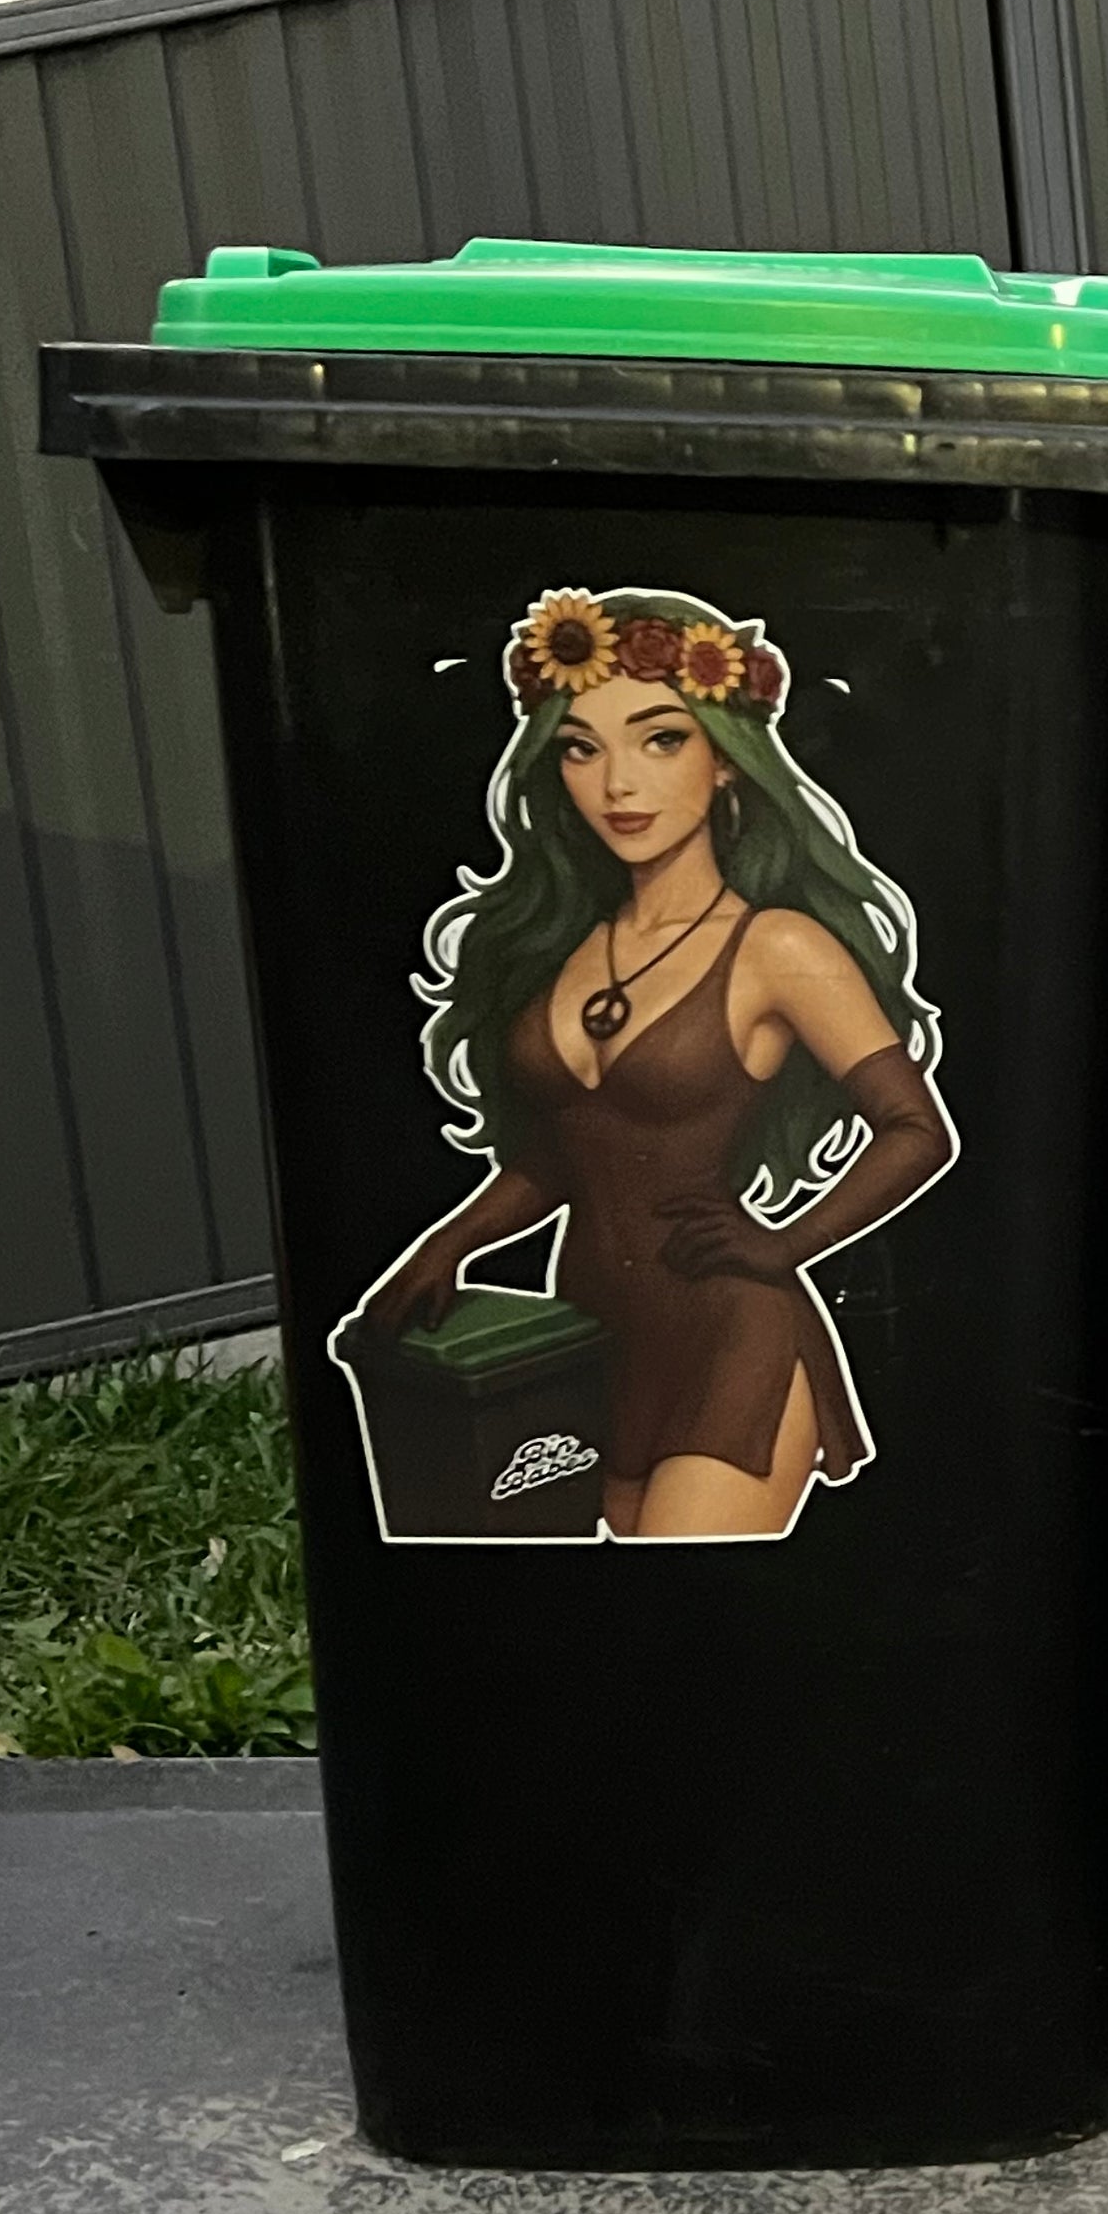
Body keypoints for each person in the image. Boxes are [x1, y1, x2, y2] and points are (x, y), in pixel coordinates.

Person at [339, 585, 955, 1541]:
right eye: (583, 748)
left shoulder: (776, 947)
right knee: (622, 1623)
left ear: (726, 763)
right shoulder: (564, 946)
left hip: (730, 1332)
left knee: (690, 1602)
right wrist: (446, 1246)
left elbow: (918, 1131)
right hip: (583, 1330)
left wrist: (785, 1244)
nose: (618, 783)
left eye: (660, 738)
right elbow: (559, 1157)